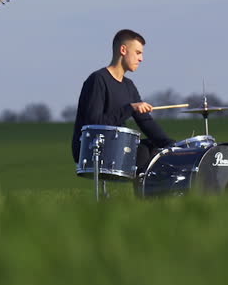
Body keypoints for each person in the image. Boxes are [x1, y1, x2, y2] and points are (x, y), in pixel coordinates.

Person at [71, 29, 177, 175]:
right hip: (94, 149)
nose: (141, 59)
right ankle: (142, 196)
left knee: (156, 150)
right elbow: (94, 124)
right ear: (123, 50)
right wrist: (130, 108)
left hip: (118, 146)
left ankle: (152, 195)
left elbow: (146, 122)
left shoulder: (129, 86)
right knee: (142, 152)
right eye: (138, 53)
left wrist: (172, 145)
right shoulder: (98, 80)